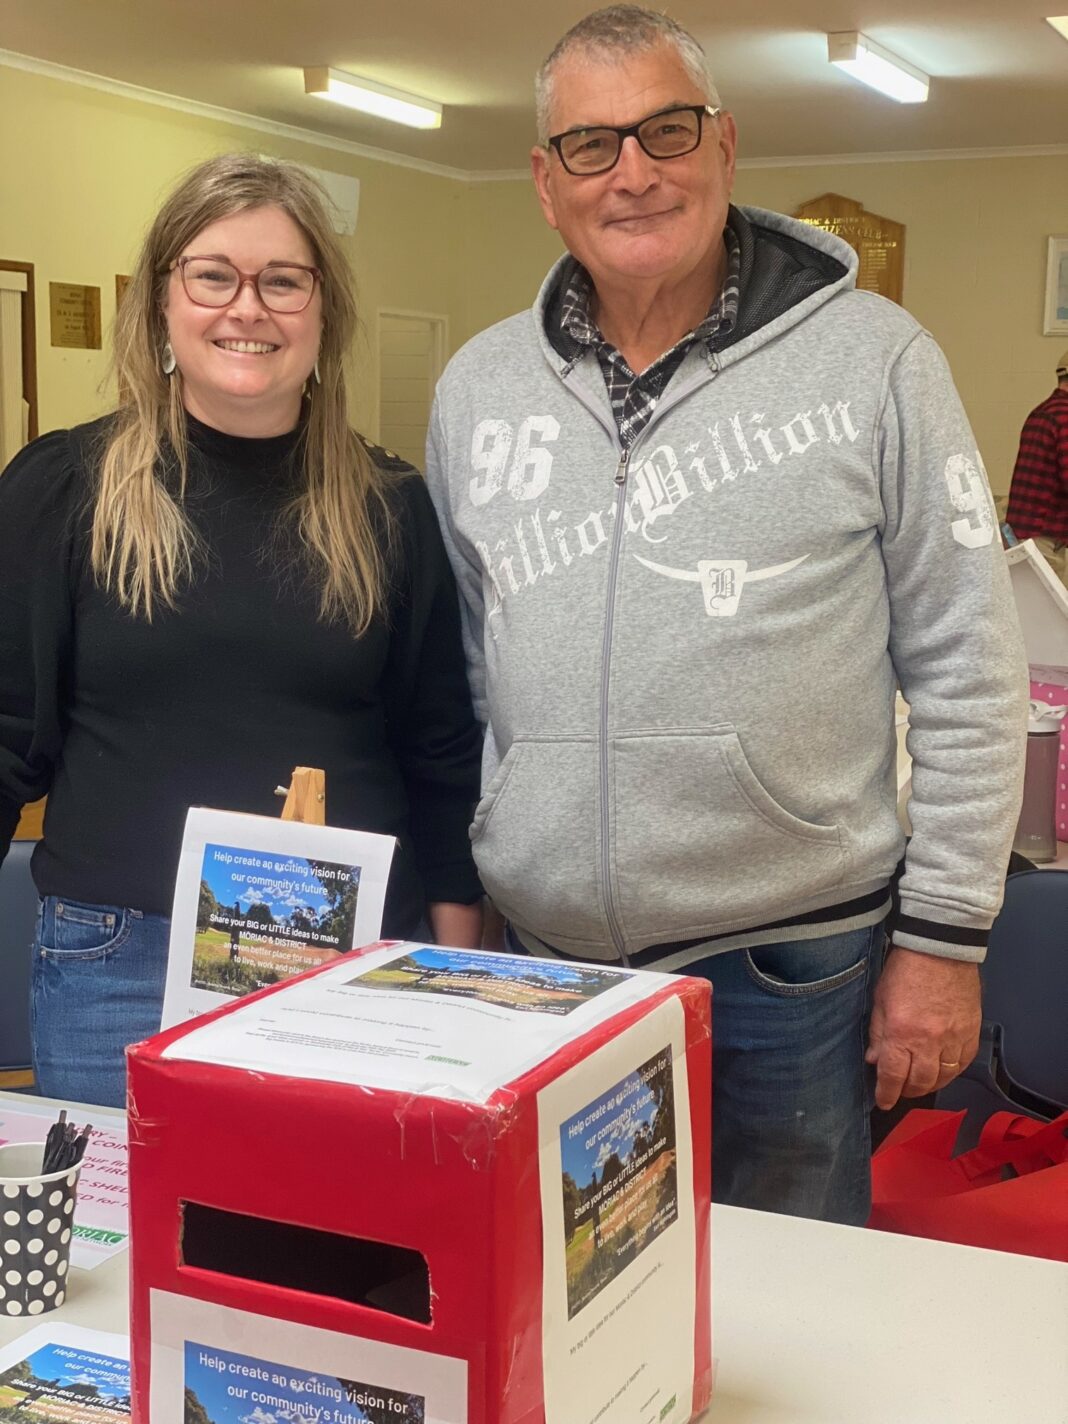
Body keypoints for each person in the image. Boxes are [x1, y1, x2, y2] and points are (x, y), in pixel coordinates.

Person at [425, 6, 1028, 1223]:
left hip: (791, 968)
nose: (634, 171)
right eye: (591, 146)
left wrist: (946, 942)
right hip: (546, 965)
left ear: (725, 144)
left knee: (790, 1326)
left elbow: (970, 663)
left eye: (667, 129)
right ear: (547, 184)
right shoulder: (479, 386)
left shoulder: (876, 360)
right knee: (576, 1313)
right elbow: (480, 659)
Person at [0, 154, 483, 1108]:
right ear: (163, 305)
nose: (247, 308)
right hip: (118, 960)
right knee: (121, 1250)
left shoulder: (388, 505)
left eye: (284, 281)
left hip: (347, 962)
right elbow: (7, 731)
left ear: (323, 315)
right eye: (212, 274)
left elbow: (437, 746)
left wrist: (453, 957)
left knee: (319, 1244)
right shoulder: (66, 489)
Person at [1006, 349, 1068, 586]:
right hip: (1043, 538)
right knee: (1046, 617)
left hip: (1028, 534)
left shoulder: (1044, 411)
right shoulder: (1064, 416)